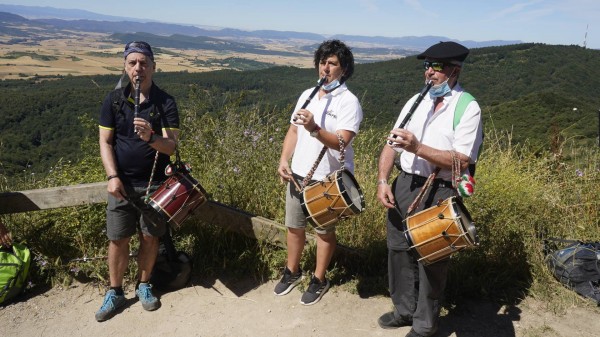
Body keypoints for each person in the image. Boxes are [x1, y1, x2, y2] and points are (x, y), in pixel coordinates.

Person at [376, 41, 484, 337]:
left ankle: (425, 326)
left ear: (454, 71)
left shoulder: (467, 107)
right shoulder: (416, 100)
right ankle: (404, 310)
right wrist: (383, 180)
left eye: (435, 67)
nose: (428, 72)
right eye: (426, 65)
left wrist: (418, 147)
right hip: (404, 184)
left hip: (439, 189)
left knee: (432, 257)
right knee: (397, 249)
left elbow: (461, 160)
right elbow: (390, 144)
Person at [274, 39, 363, 305]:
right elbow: (293, 130)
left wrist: (315, 128)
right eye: (322, 62)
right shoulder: (307, 94)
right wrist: (283, 159)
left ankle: (319, 278)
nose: (325, 68)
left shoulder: (349, 102)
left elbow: (342, 141)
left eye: (332, 63)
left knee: (324, 231)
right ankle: (292, 271)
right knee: (294, 226)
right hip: (298, 174)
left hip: (327, 179)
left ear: (344, 69)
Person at [96, 41, 180, 322]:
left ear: (154, 68)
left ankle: (144, 285)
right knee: (118, 238)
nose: (138, 68)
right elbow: (105, 142)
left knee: (149, 237)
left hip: (157, 185)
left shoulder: (165, 102)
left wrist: (151, 138)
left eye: (144, 63)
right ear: (125, 66)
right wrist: (112, 176)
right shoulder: (115, 100)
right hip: (121, 185)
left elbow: (171, 147)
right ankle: (115, 291)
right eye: (132, 63)